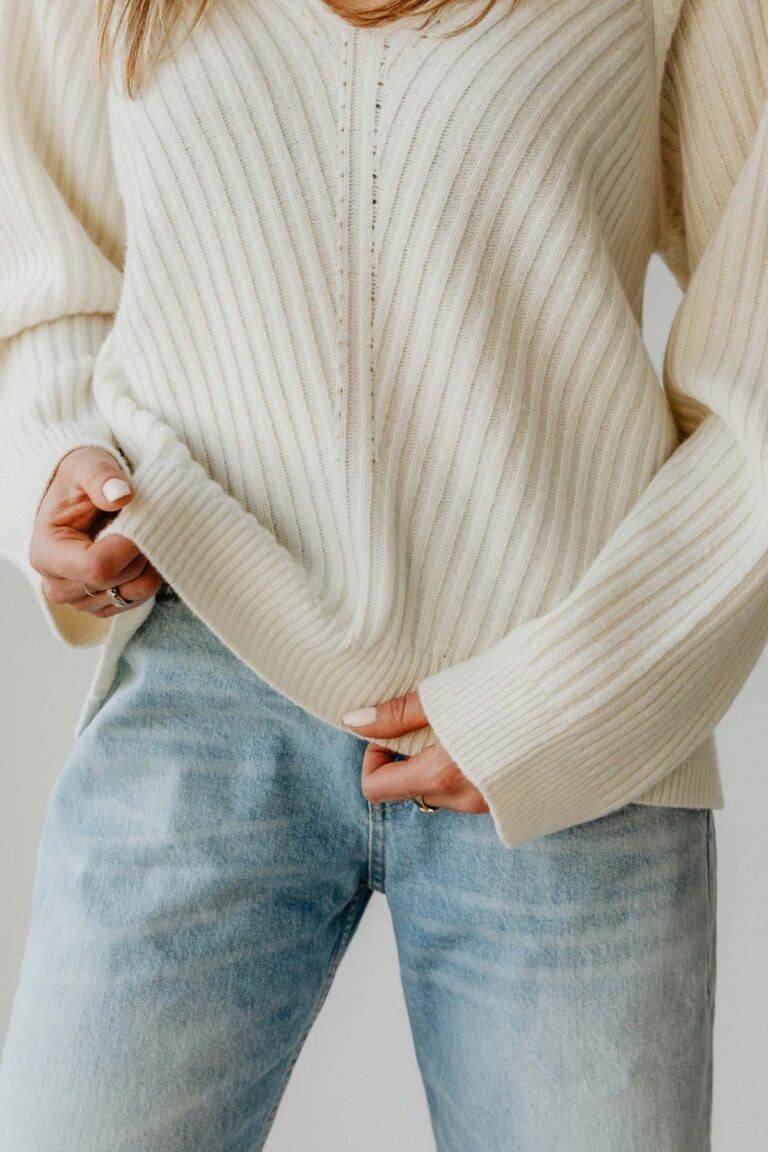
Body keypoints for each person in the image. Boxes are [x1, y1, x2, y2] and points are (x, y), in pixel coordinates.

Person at [0, 0, 765, 1146]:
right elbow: (45, 266)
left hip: (570, 732)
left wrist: (557, 704)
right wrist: (56, 461)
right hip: (199, 686)